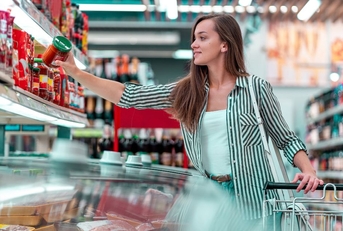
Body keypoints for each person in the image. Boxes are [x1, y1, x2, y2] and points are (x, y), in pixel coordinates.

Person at [56, 13, 324, 230]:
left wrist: (309, 171)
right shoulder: (188, 92)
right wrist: (76, 72)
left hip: (254, 197)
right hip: (210, 196)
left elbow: (285, 138)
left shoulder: (255, 89)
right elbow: (129, 96)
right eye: (194, 38)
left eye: (202, 38)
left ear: (224, 44)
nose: (194, 44)